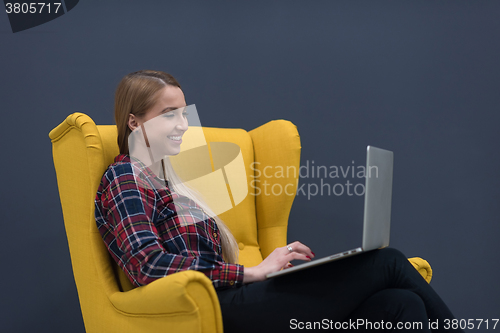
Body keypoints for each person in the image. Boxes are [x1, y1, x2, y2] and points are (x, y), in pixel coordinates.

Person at [95, 70, 464, 332]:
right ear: (134, 122)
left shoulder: (169, 183)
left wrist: (270, 271)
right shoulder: (126, 177)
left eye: (184, 112)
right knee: (388, 261)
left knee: (402, 306)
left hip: (238, 297)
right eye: (169, 114)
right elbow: (148, 264)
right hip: (211, 309)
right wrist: (252, 272)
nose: (183, 125)